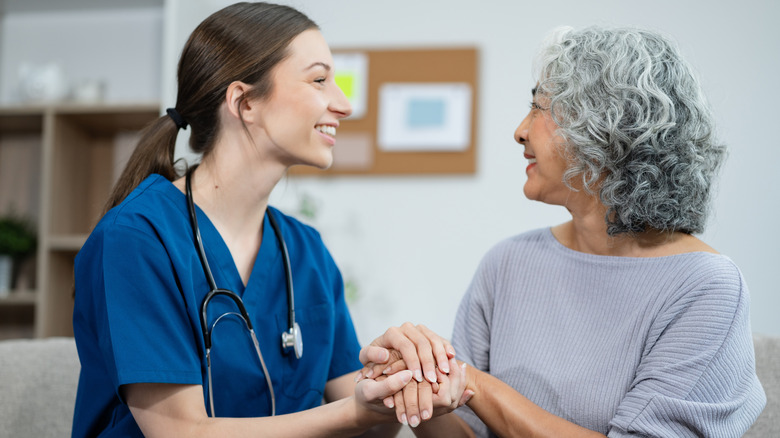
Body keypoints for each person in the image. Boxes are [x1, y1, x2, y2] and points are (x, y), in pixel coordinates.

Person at [70, 3, 467, 437]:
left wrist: (402, 380)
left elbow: (366, 426)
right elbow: (181, 433)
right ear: (244, 102)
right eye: (319, 80)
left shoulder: (304, 251)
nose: (344, 104)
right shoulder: (137, 239)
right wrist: (355, 411)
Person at [360, 26, 767, 437]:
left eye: (539, 108)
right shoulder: (507, 264)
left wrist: (474, 383)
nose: (520, 130)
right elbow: (465, 431)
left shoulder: (706, 288)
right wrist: (417, 379)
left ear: (606, 130)